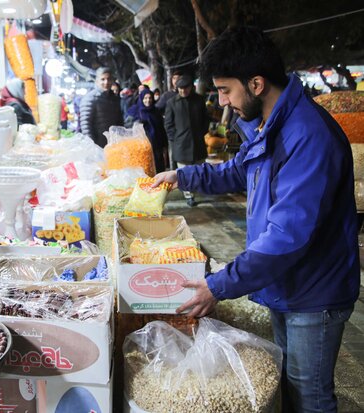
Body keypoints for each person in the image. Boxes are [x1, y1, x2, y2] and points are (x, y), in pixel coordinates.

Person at [153, 26, 359, 413]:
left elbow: (287, 235)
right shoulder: (272, 126)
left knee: (310, 396)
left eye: (226, 90)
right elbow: (237, 171)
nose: (223, 102)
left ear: (257, 84)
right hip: (287, 282)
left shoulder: (307, 135)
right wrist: (182, 176)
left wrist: (219, 285)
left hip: (314, 292)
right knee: (290, 386)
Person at [164, 74, 209, 206]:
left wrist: (201, 133)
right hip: (181, 144)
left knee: (199, 169)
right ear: (177, 88)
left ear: (191, 87)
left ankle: (199, 189)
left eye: (186, 88)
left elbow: (205, 119)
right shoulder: (172, 103)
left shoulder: (199, 100)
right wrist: (175, 139)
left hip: (198, 142)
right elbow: (168, 124)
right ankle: (189, 195)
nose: (183, 91)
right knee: (184, 172)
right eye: (180, 88)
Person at [79, 67, 123, 147]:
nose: (106, 82)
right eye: (103, 79)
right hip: (97, 145)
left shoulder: (115, 99)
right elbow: (86, 125)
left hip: (113, 144)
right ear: (97, 81)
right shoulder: (90, 98)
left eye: (109, 79)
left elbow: (119, 122)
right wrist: (92, 146)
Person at [136, 89, 168, 173]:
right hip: (144, 148)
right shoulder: (138, 113)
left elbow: (161, 128)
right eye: (145, 98)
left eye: (150, 98)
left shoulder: (156, 111)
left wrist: (164, 145)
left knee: (159, 169)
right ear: (142, 99)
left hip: (157, 146)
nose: (148, 100)